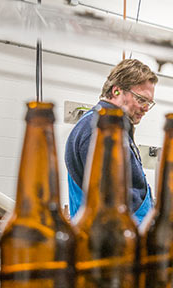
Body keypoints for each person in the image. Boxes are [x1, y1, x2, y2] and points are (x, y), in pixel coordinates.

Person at [65, 59, 158, 223]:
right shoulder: (96, 130)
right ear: (116, 91)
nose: (145, 108)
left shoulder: (116, 129)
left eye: (149, 103)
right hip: (105, 239)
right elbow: (111, 198)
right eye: (141, 99)